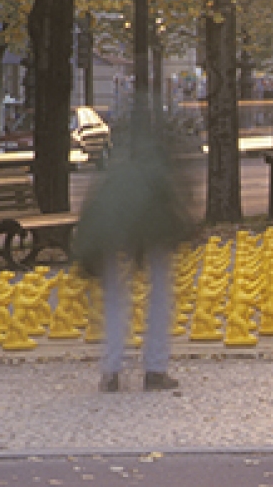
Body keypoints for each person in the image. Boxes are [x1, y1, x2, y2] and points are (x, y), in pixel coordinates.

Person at [73, 128, 191, 393]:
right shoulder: (160, 172)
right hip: (146, 228)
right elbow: (172, 212)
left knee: (114, 296)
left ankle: (112, 371)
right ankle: (155, 370)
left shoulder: (118, 172)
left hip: (110, 229)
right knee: (159, 291)